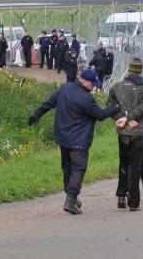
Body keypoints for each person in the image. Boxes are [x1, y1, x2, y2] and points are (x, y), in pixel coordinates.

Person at [28, 70, 118, 214]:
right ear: (84, 81)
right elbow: (100, 115)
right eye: (93, 84)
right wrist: (114, 108)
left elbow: (48, 104)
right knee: (78, 169)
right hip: (79, 141)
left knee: (67, 168)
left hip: (63, 138)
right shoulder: (86, 98)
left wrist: (35, 115)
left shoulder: (65, 88)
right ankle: (71, 200)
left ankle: (71, 198)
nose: (94, 86)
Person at [108, 57, 143, 211]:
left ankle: (121, 195)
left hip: (123, 131)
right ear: (141, 70)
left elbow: (111, 108)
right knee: (136, 166)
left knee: (124, 163)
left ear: (129, 69)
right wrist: (130, 118)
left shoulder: (116, 87)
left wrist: (123, 119)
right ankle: (133, 202)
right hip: (139, 131)